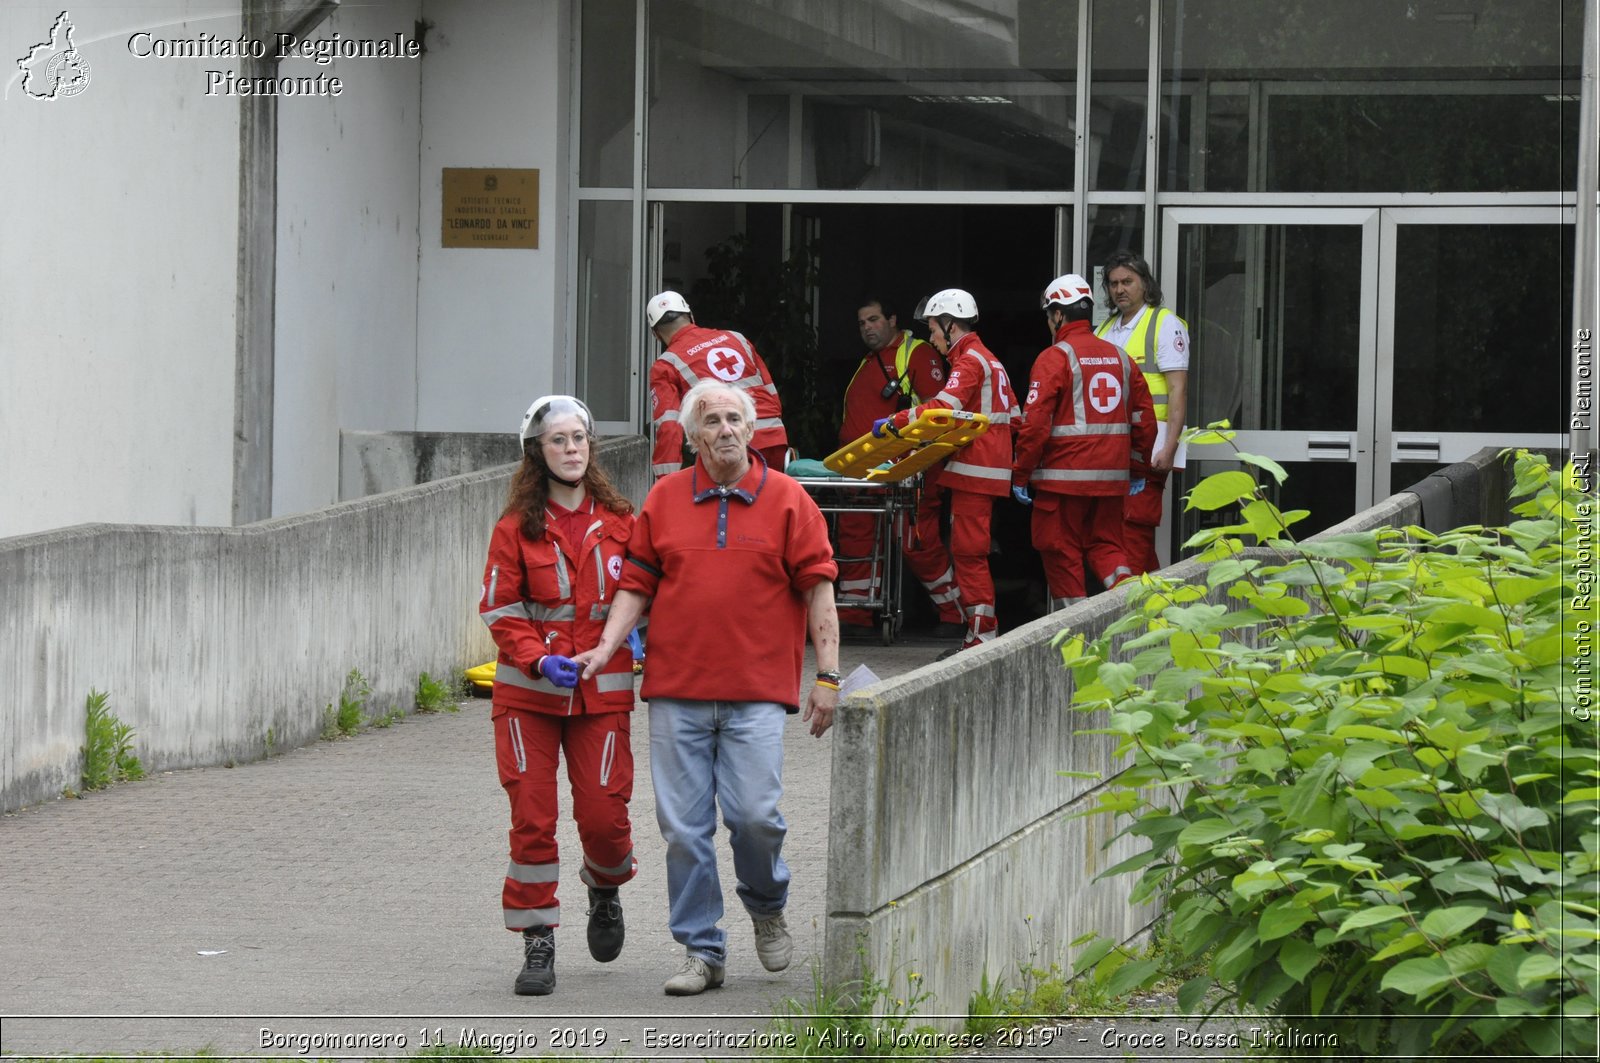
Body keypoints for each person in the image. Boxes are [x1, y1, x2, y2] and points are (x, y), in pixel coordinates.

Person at [573, 379, 841, 996]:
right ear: (693, 436)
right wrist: (608, 648)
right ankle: (701, 949)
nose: (724, 429)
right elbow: (635, 587)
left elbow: (818, 588)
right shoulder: (663, 501)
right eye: (711, 421)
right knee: (684, 830)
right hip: (677, 691)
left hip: (756, 693)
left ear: (751, 431)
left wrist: (827, 676)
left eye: (733, 419)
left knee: (755, 819)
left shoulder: (791, 501)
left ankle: (766, 905)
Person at [479, 395, 640, 997]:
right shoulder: (514, 528)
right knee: (532, 819)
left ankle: (605, 887)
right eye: (558, 441)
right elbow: (499, 606)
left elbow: (646, 593)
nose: (572, 449)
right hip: (528, 699)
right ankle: (538, 938)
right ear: (536, 452)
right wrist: (535, 657)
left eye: (579, 439)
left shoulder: (624, 521)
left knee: (604, 817)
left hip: (603, 694)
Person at [873, 288, 1018, 654]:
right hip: (988, 469)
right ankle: (978, 632)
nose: (931, 337)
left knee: (968, 554)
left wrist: (898, 420)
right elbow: (1015, 417)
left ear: (950, 325)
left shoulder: (970, 361)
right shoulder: (992, 361)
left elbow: (942, 407)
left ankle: (982, 636)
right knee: (971, 551)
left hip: (976, 470)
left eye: (934, 329)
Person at [1012, 274, 1156, 609]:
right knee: (1109, 549)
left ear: (1059, 315)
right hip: (1111, 482)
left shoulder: (1054, 358)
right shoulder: (1121, 358)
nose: (1049, 323)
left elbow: (1034, 425)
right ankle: (1130, 611)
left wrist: (1021, 473)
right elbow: (1144, 422)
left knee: (1060, 551)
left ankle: (1077, 638)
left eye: (1050, 316)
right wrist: (1136, 468)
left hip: (1063, 483)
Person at [834, 295, 964, 638]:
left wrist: (913, 460)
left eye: (874, 319)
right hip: (864, 469)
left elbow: (938, 413)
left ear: (892, 319)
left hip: (908, 468)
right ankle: (856, 616)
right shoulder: (871, 360)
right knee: (856, 534)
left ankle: (955, 613)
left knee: (916, 541)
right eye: (862, 323)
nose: (867, 328)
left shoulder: (916, 353)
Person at [1094, 251, 1192, 573]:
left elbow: (1178, 389)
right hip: (1112, 451)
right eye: (1113, 284)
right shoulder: (1104, 329)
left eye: (1127, 282)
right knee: (1117, 537)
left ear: (1144, 284)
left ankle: (1141, 614)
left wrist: (1170, 445)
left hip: (1150, 449)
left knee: (1134, 533)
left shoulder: (1165, 324)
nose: (1119, 289)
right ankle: (1158, 610)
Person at [645, 289, 788, 481]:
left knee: (729, 508)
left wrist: (665, 481)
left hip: (726, 445)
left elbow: (669, 428)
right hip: (773, 439)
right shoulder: (737, 338)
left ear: (655, 334)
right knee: (768, 505)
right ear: (691, 317)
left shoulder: (665, 365)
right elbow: (771, 394)